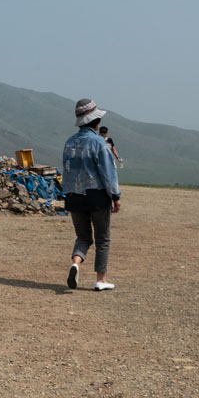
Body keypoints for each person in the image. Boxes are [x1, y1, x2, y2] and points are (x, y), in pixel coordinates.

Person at [62, 99, 121, 292]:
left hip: (74, 196)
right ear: (96, 121)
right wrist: (116, 196)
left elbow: (67, 170)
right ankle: (101, 279)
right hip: (96, 196)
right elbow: (108, 173)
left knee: (83, 236)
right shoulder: (99, 143)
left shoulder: (69, 142)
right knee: (103, 238)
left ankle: (76, 263)